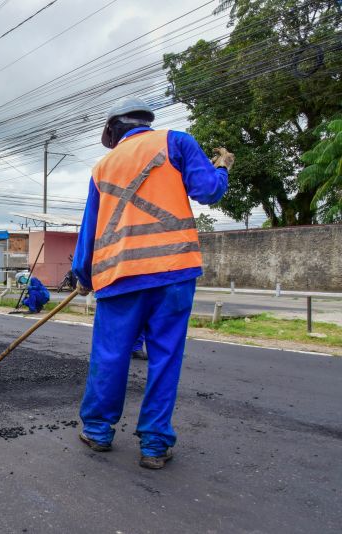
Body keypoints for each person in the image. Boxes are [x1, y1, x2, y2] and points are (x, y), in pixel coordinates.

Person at [72, 97, 231, 470]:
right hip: (173, 271)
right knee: (165, 357)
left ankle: (97, 431)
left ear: (113, 130)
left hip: (118, 276)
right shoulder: (176, 142)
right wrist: (221, 168)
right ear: (145, 122)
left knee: (110, 356)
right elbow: (208, 190)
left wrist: (83, 276)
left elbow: (89, 231)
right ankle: (155, 444)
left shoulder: (102, 167)